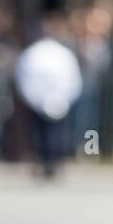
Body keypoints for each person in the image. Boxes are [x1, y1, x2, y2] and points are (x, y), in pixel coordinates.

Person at [15, 12, 83, 178]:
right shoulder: (38, 53)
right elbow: (26, 78)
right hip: (41, 102)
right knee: (41, 134)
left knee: (54, 135)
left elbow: (71, 79)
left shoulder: (59, 53)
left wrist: (61, 100)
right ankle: (44, 162)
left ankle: (52, 163)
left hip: (53, 102)